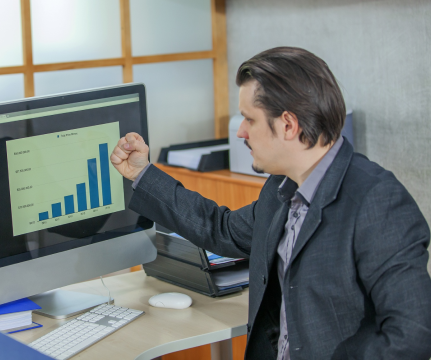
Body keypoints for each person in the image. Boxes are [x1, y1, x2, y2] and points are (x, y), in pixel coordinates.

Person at [110, 47, 431, 359]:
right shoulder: (283, 186)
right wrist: (142, 173)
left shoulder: (378, 202)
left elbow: (412, 337)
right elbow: (221, 229)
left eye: (249, 120)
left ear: (288, 125)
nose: (241, 133)